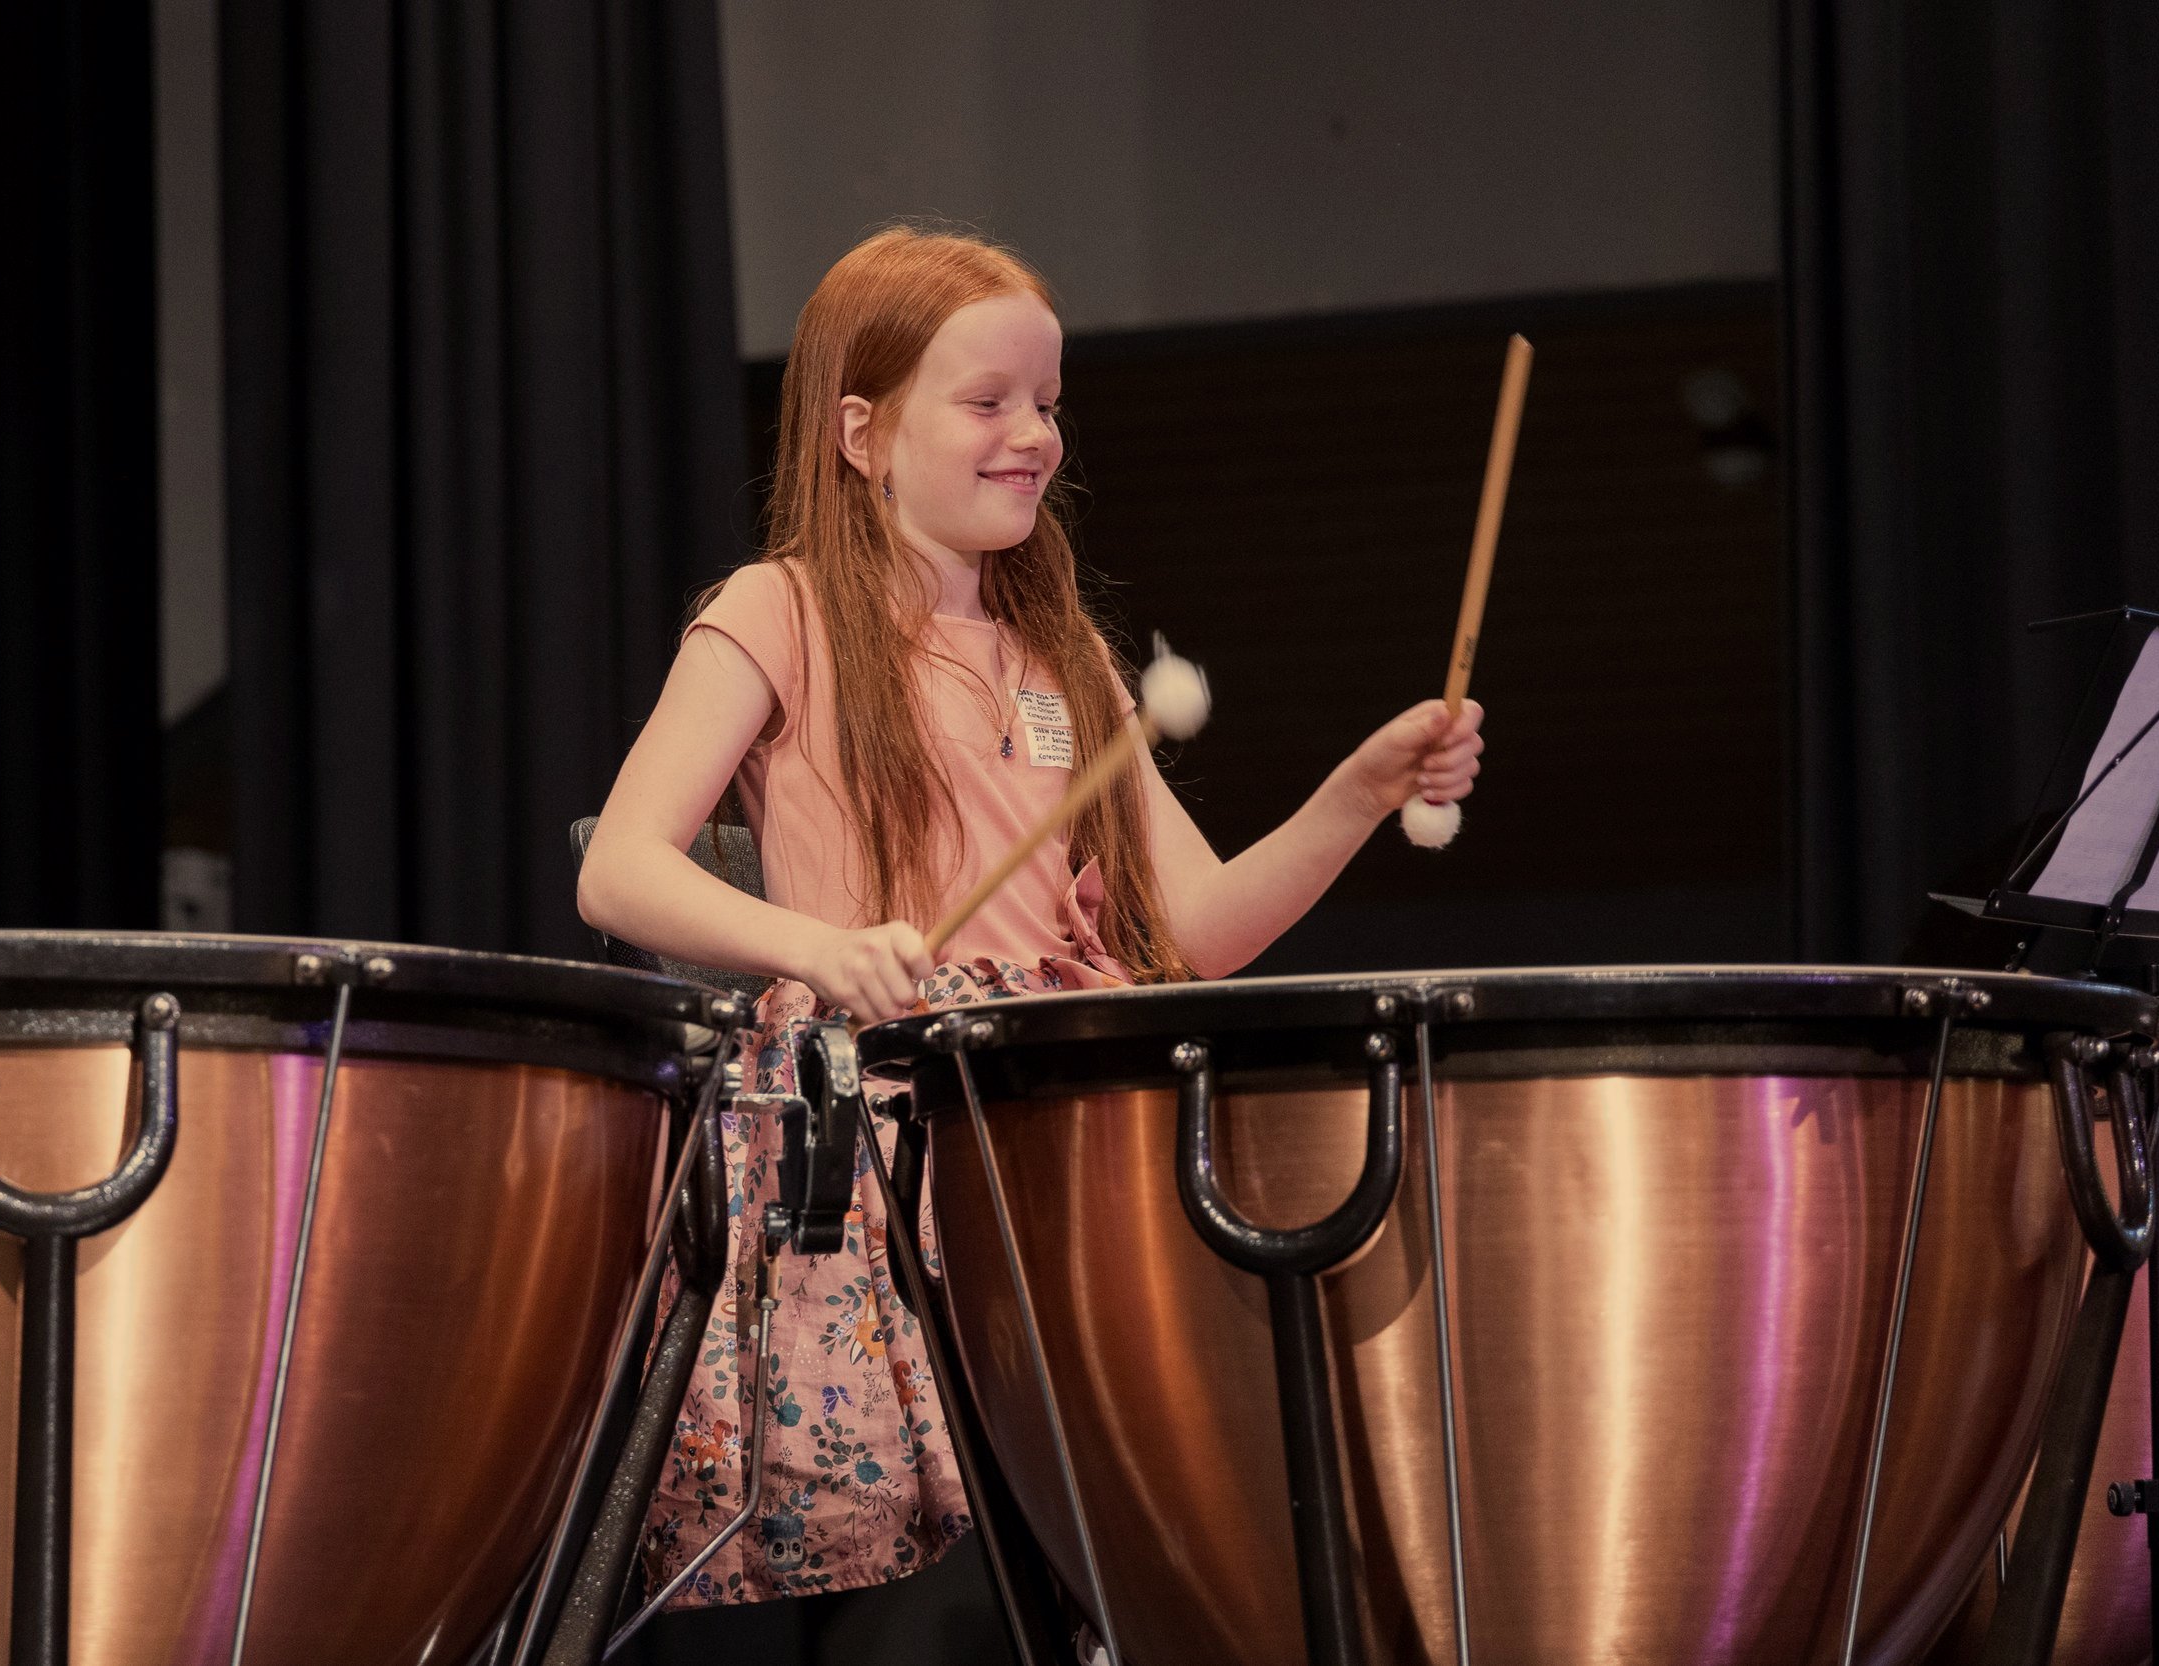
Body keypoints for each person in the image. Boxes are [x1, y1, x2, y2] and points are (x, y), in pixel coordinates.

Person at [577, 224, 1484, 1616]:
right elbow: (623, 870)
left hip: (1063, 1119)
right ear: (863, 434)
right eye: (988, 402)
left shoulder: (1068, 659)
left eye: (1048, 404)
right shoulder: (779, 611)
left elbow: (1199, 927)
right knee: (955, 1579)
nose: (1035, 438)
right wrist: (825, 948)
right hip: (883, 1130)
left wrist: (1356, 794)